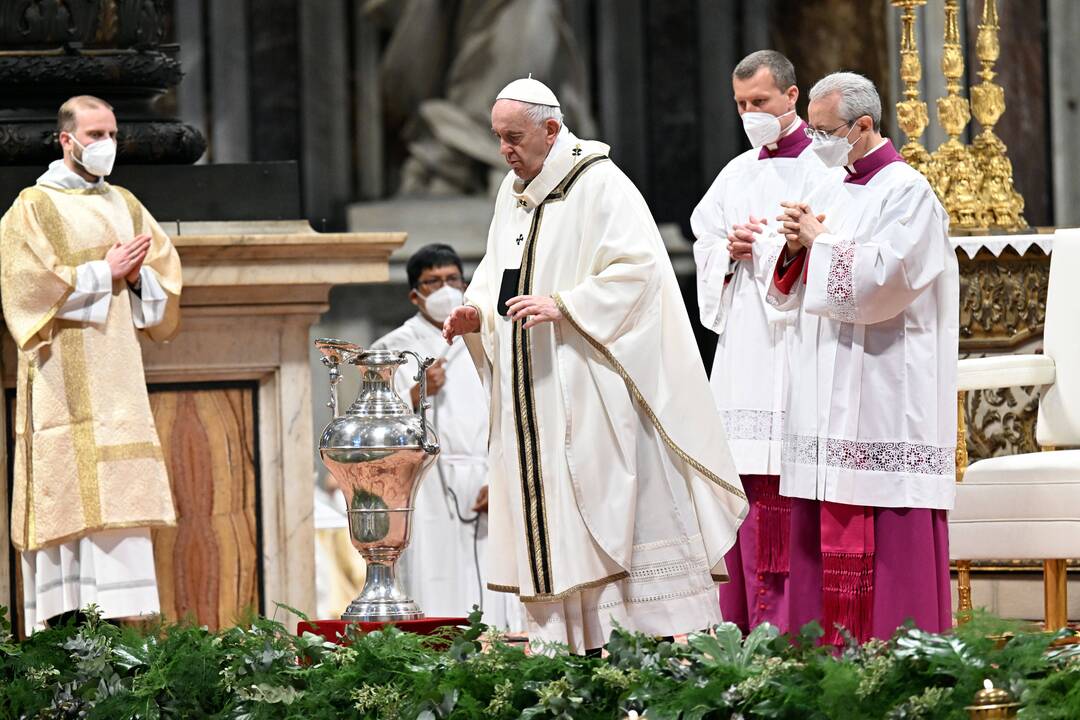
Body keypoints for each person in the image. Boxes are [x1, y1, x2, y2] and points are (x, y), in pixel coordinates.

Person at [443, 77, 748, 654]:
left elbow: (639, 271)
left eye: (514, 137)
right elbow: (496, 274)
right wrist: (474, 313)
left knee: (607, 501)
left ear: (552, 129)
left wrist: (566, 304)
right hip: (531, 388)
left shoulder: (601, 184)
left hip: (586, 380)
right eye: (499, 138)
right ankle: (561, 646)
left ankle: (630, 642)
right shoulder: (512, 194)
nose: (504, 150)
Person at [765, 72, 957, 644]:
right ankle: (822, 666)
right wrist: (795, 249)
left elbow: (884, 284)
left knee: (887, 527)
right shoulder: (830, 187)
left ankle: (899, 662)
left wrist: (820, 243)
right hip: (826, 387)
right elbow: (788, 294)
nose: (816, 141)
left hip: (883, 391)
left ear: (864, 125)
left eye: (825, 131)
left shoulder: (908, 193)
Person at [1, 95, 182, 635]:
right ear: (67, 139)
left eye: (112, 134)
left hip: (118, 382)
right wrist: (103, 272)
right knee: (68, 519)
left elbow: (164, 280)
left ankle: (123, 664)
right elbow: (24, 289)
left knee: (120, 529)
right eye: (96, 134)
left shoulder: (125, 203)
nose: (106, 145)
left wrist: (134, 278)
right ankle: (63, 655)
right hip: (60, 381)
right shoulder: (32, 205)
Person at [691, 50, 837, 634]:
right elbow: (704, 240)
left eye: (760, 102)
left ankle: (794, 624)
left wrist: (774, 248)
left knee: (788, 483)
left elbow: (834, 250)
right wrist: (727, 252)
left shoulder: (824, 169)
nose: (750, 113)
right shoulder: (737, 172)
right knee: (741, 484)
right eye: (741, 105)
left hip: (797, 344)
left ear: (791, 97)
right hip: (745, 347)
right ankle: (740, 627)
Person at [371, 244, 524, 632]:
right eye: (433, 282)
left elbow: (511, 408)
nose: (445, 288)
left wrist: (502, 477)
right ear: (414, 294)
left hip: (487, 475)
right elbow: (373, 435)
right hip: (427, 485)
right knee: (434, 576)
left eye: (452, 279)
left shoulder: (490, 337)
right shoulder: (390, 348)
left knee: (495, 583)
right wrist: (415, 397)